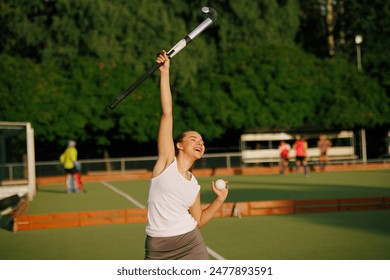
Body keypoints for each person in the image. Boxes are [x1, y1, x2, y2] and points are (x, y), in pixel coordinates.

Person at [144, 50, 229, 260]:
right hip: (158, 246)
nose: (200, 142)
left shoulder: (194, 185)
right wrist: (165, 73)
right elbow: (167, 113)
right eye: (193, 139)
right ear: (179, 145)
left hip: (190, 243)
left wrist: (219, 200)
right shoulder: (166, 163)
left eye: (202, 141)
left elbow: (198, 221)